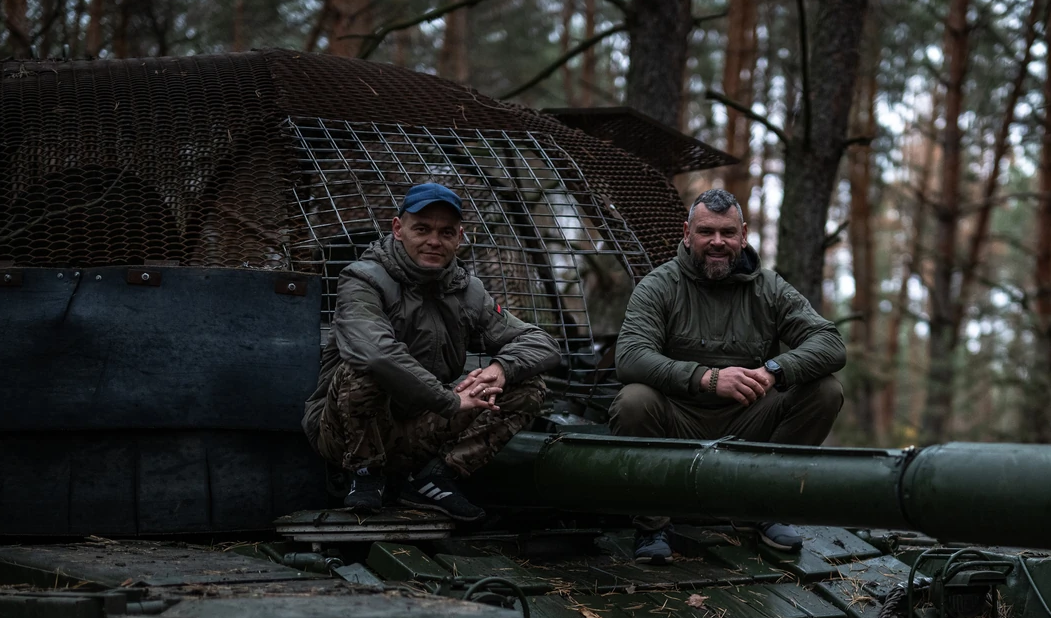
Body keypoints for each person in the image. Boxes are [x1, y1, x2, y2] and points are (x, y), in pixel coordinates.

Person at [610, 188, 846, 563]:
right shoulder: (658, 286)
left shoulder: (769, 288)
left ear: (743, 234)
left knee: (825, 391)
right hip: (678, 424)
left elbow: (830, 343)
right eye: (706, 232)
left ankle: (765, 509)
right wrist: (706, 377)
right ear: (687, 234)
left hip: (749, 421)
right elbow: (631, 357)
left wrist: (774, 371)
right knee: (634, 400)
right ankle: (652, 526)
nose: (717, 242)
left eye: (727, 232)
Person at [303, 182, 561, 522]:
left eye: (446, 232)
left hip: (420, 428)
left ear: (459, 237)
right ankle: (365, 475)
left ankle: (436, 477)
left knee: (527, 384)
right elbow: (375, 354)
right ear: (398, 229)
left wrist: (500, 368)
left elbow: (540, 341)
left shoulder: (468, 291)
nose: (434, 241)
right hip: (345, 432)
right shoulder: (363, 280)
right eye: (422, 229)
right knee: (363, 370)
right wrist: (449, 400)